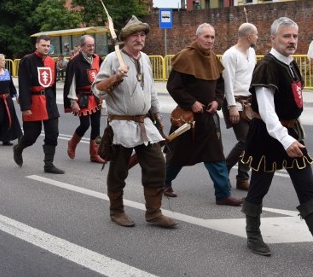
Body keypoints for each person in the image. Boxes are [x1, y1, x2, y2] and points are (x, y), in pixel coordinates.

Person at [239, 17, 313, 258]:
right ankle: (253, 234)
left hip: (291, 133)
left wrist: (293, 134)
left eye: (294, 36)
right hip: (268, 135)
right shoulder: (267, 66)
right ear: (273, 38)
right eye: (286, 36)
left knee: (307, 186)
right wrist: (285, 139)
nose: (292, 41)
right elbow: (266, 110)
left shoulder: (291, 63)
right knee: (259, 188)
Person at [92, 16, 177, 228]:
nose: (139, 39)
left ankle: (154, 213)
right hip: (121, 125)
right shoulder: (113, 59)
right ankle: (116, 211)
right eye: (135, 35)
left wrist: (157, 116)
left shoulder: (146, 58)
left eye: (142, 35)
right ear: (125, 39)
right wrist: (115, 78)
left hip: (145, 124)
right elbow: (97, 90)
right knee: (118, 171)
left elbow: (150, 90)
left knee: (157, 165)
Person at [164, 23, 242, 206]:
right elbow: (173, 86)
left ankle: (223, 194)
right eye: (206, 37)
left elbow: (220, 85)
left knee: (216, 156)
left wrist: (217, 101)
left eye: (212, 37)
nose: (210, 40)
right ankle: (163, 183)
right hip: (187, 119)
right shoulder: (185, 57)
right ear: (196, 37)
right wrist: (191, 103)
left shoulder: (214, 58)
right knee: (177, 156)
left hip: (208, 118)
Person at [13, 35, 65, 174]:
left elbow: (52, 84)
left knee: (53, 133)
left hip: (48, 100)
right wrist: (25, 107)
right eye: (43, 45)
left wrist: (54, 100)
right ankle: (19, 148)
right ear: (37, 45)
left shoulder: (51, 61)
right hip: (34, 101)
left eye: (48, 46)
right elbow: (23, 84)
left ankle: (48, 164)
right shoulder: (27, 60)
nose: (46, 48)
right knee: (31, 136)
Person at [221, 23, 258, 191]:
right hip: (235, 102)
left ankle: (242, 178)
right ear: (249, 36)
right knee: (245, 141)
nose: (258, 37)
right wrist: (232, 106)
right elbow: (227, 82)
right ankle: (223, 171)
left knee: (253, 141)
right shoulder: (230, 55)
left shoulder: (252, 52)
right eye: (256, 34)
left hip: (250, 103)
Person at [64, 35, 105, 164]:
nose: (92, 48)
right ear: (82, 47)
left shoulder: (97, 59)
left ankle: (95, 153)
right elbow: (71, 83)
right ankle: (72, 143)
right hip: (82, 98)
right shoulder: (75, 62)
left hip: (95, 97)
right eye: (89, 46)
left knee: (97, 125)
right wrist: (73, 101)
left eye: (93, 45)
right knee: (85, 124)